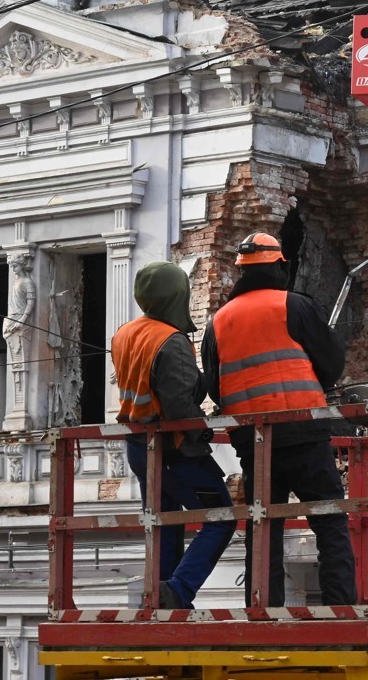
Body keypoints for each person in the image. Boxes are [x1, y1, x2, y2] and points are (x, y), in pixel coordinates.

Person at [201, 232, 356, 607]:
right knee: (330, 519)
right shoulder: (294, 306)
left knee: (263, 525)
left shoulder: (218, 321)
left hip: (254, 440)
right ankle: (340, 606)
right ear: (280, 266)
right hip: (303, 430)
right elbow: (332, 363)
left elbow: (214, 387)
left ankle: (262, 609)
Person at [112, 261, 235, 610]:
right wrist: (203, 431)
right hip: (174, 450)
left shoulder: (125, 333)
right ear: (176, 296)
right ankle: (179, 590)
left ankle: (163, 597)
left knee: (164, 521)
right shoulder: (171, 340)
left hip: (139, 447)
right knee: (220, 517)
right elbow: (180, 404)